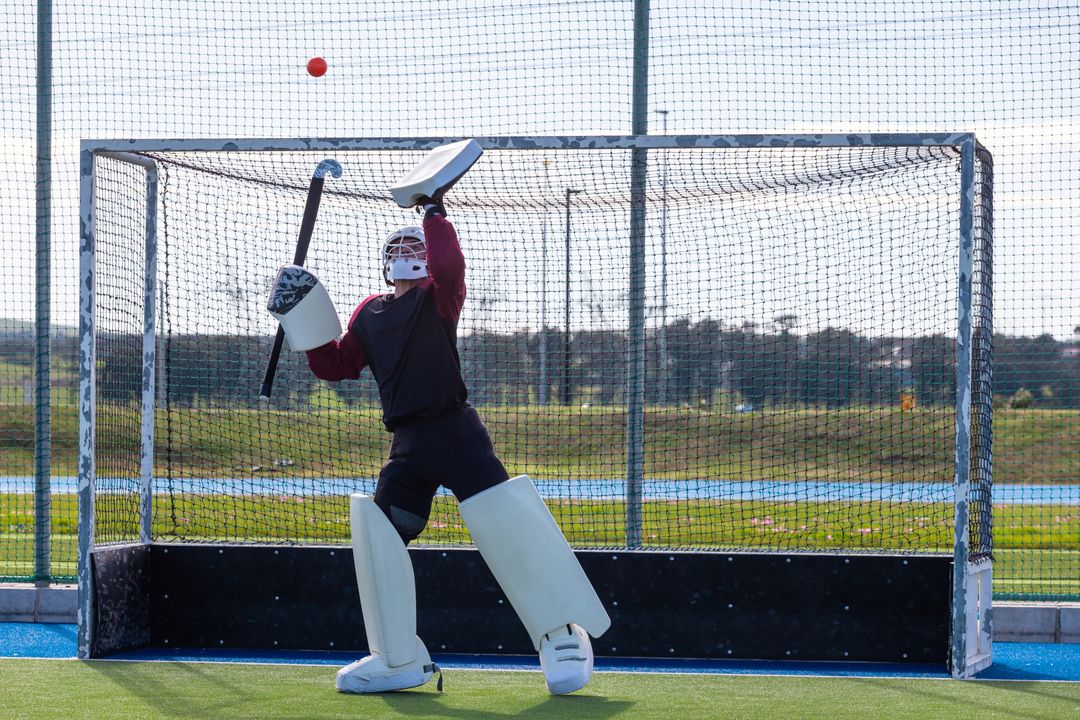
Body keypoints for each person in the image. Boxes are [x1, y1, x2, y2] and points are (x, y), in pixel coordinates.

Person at [271, 197, 609, 695]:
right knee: (379, 540)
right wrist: (298, 316)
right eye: (400, 245)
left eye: (417, 244)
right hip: (408, 446)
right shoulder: (368, 312)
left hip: (456, 433)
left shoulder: (438, 295)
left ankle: (562, 634)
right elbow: (334, 365)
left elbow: (452, 264)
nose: (409, 250)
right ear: (385, 262)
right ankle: (397, 659)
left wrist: (433, 211)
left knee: (508, 527)